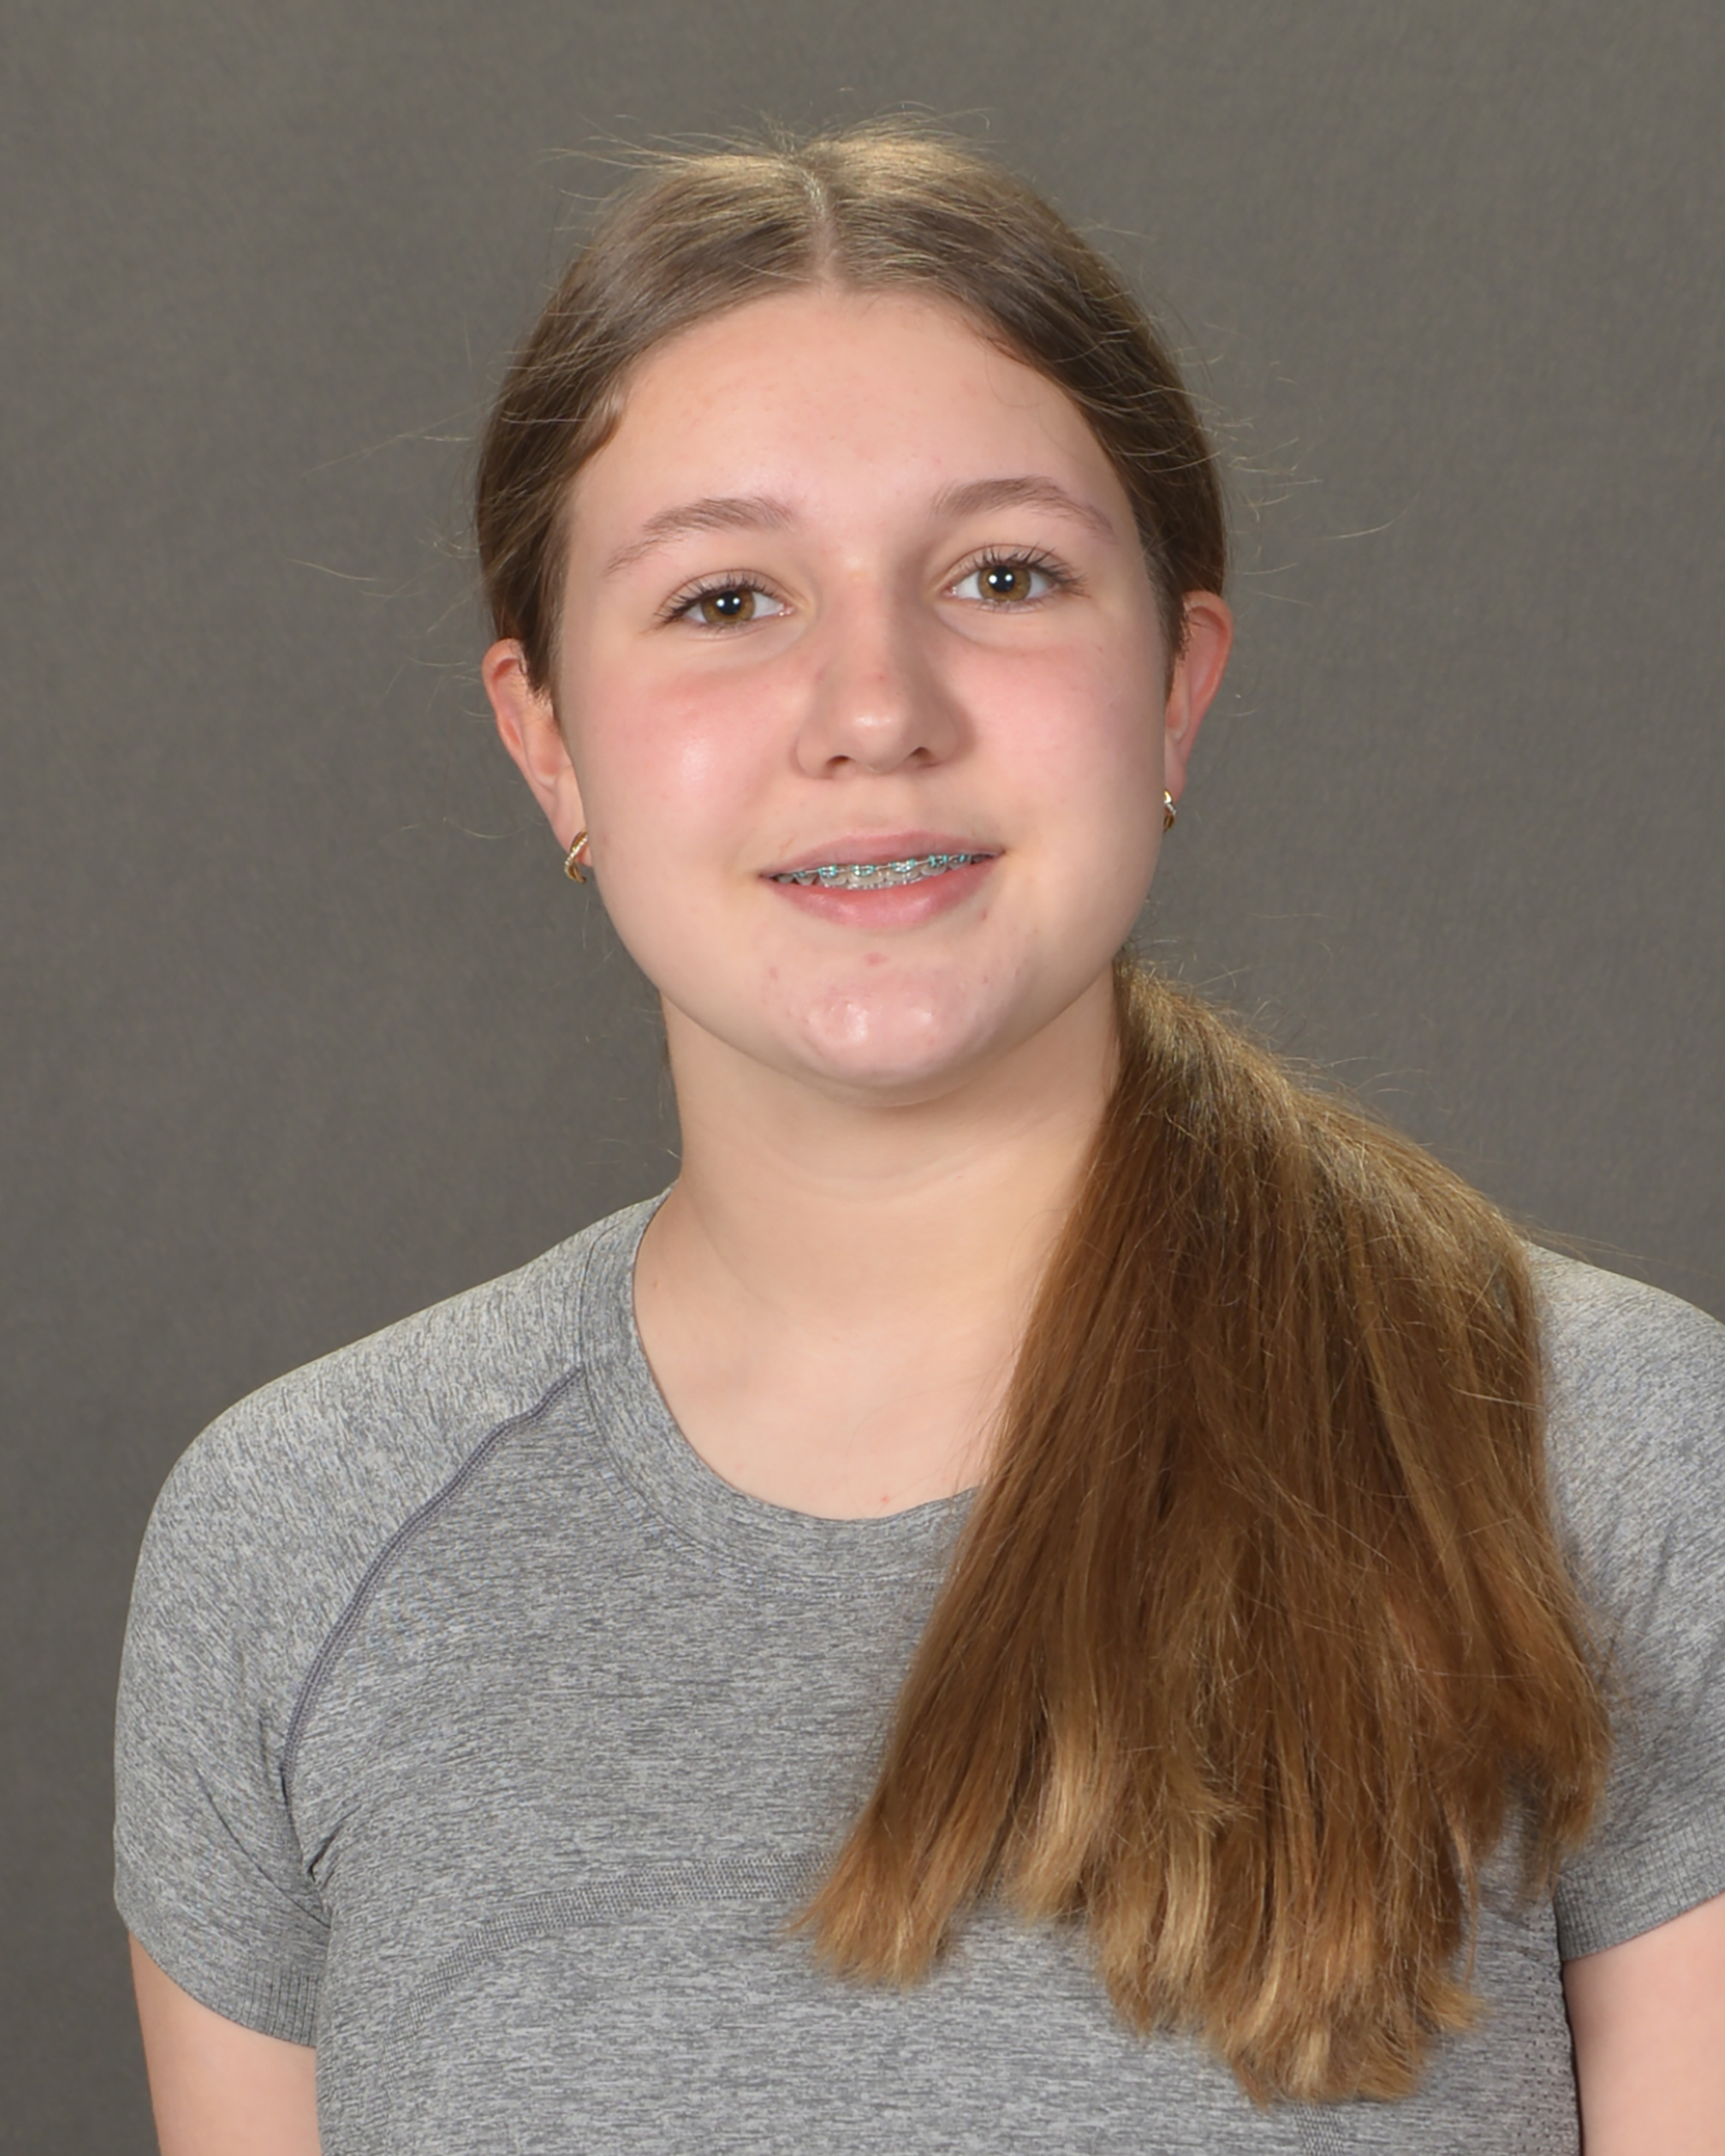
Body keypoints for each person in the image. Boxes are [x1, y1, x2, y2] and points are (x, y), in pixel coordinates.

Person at [116, 123, 1725, 2155]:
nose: (874, 707)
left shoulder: (1601, 1460)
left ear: (1174, 688)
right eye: (724, 597)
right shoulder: (295, 1548)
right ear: (548, 742)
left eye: (1003, 576)